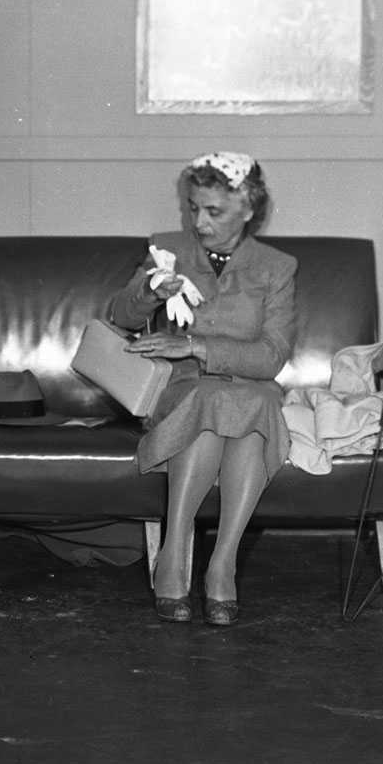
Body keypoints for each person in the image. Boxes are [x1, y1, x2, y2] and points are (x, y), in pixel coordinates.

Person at [105, 151, 296, 625]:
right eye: (194, 208)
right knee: (222, 409)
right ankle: (182, 555)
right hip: (182, 388)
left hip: (249, 386)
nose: (200, 222)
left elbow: (273, 356)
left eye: (215, 212)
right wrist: (150, 291)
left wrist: (193, 343)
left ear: (249, 210)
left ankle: (217, 562)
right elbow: (119, 318)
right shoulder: (165, 248)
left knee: (245, 407)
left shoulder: (277, 267)